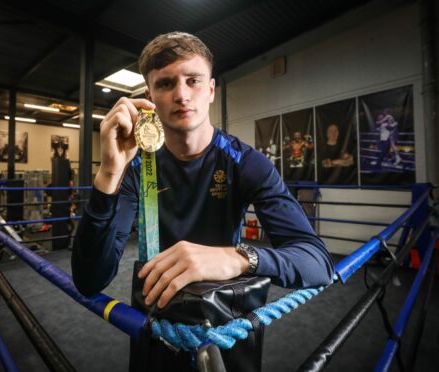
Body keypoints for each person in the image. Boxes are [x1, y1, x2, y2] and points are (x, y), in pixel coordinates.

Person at [72, 32, 334, 371]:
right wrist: (108, 175)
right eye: (166, 84)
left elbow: (317, 263)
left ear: (210, 90)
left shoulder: (245, 162)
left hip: (226, 317)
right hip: (157, 314)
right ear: (149, 97)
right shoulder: (135, 168)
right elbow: (90, 279)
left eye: (192, 80)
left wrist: (238, 257)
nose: (181, 95)